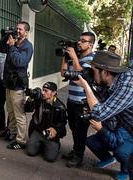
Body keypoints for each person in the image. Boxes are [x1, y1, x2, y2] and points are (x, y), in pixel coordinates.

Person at [75, 51, 133, 180]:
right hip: (127, 126)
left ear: (105, 72)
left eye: (93, 71)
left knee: (127, 159)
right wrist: (89, 81)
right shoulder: (115, 80)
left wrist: (86, 86)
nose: (92, 74)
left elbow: (99, 113)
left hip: (129, 129)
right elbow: (103, 97)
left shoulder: (127, 85)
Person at [60, 32, 95, 167]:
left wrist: (74, 57)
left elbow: (83, 76)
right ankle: (75, 150)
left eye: (83, 41)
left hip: (83, 102)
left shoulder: (92, 59)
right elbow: (63, 73)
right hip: (71, 99)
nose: (79, 43)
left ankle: (79, 157)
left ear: (90, 44)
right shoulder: (76, 58)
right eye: (79, 40)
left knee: (81, 130)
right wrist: (64, 57)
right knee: (74, 128)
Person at [0, 21, 33, 149]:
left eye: (20, 29)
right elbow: (0, 49)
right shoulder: (13, 42)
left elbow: (19, 62)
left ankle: (21, 140)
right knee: (11, 112)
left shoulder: (27, 46)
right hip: (9, 83)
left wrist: (12, 47)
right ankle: (12, 133)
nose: (18, 31)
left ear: (26, 32)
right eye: (16, 29)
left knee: (19, 114)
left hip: (18, 85)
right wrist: (5, 37)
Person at [26, 82, 67, 162]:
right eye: (42, 90)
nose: (42, 93)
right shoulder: (39, 100)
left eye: (46, 91)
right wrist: (31, 98)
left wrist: (55, 130)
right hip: (38, 131)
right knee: (31, 152)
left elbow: (62, 122)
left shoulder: (60, 106)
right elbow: (27, 109)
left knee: (50, 158)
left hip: (50, 134)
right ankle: (41, 144)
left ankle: (55, 145)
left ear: (54, 93)